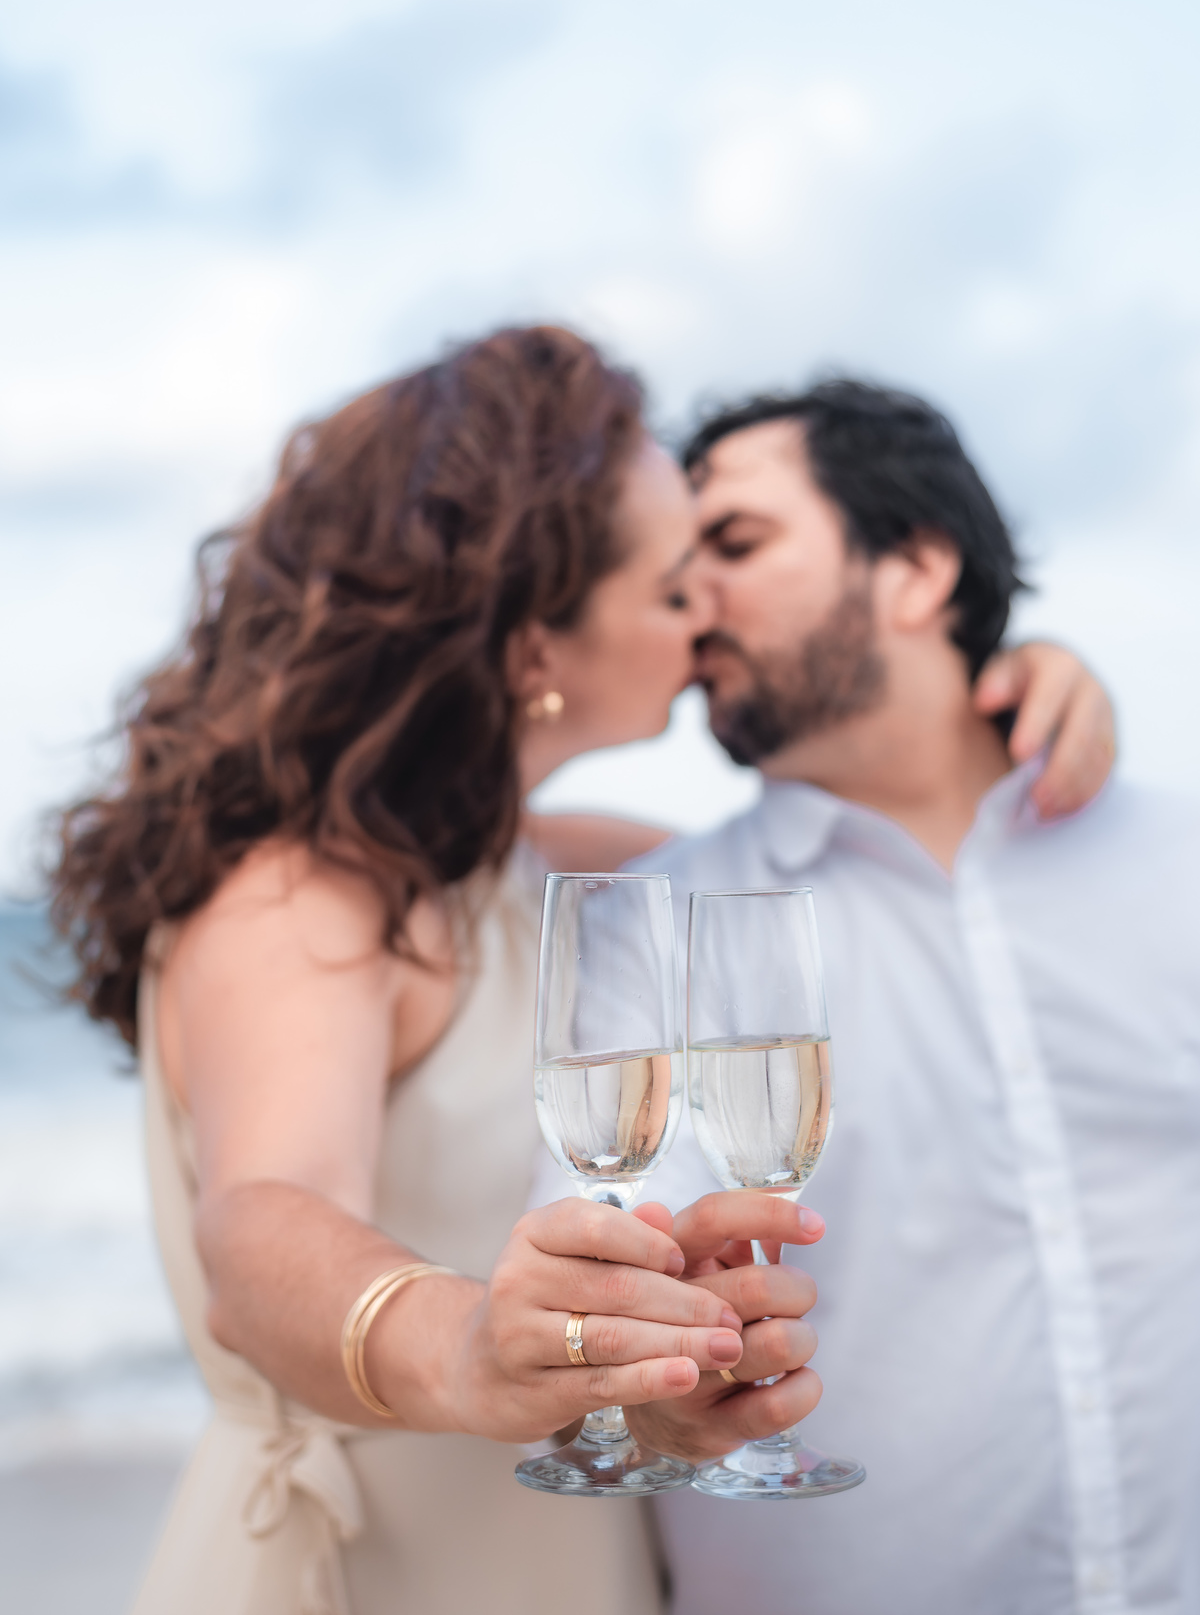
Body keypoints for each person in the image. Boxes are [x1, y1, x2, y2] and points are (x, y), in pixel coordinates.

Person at [48, 328, 1113, 1615]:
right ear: (536, 640)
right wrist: (466, 1348)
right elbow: (258, 1220)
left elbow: (858, 857)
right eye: (674, 585)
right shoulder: (302, 894)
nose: (707, 609)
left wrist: (1006, 699)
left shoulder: (537, 874)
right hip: (377, 1571)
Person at [635, 379, 1200, 1615]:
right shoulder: (654, 922)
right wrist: (655, 1382)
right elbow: (618, 1295)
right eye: (677, 567)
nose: (689, 599)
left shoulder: (1181, 867)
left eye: (734, 543)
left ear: (917, 570)